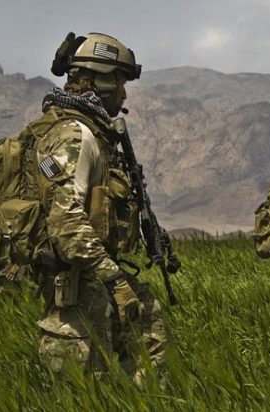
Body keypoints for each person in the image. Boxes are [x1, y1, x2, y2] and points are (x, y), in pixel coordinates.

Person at [30, 32, 167, 380]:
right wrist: (114, 279)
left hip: (96, 282)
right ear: (102, 80)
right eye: (121, 81)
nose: (124, 93)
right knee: (88, 387)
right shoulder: (74, 135)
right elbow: (67, 224)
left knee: (151, 334)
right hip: (79, 288)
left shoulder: (95, 134)